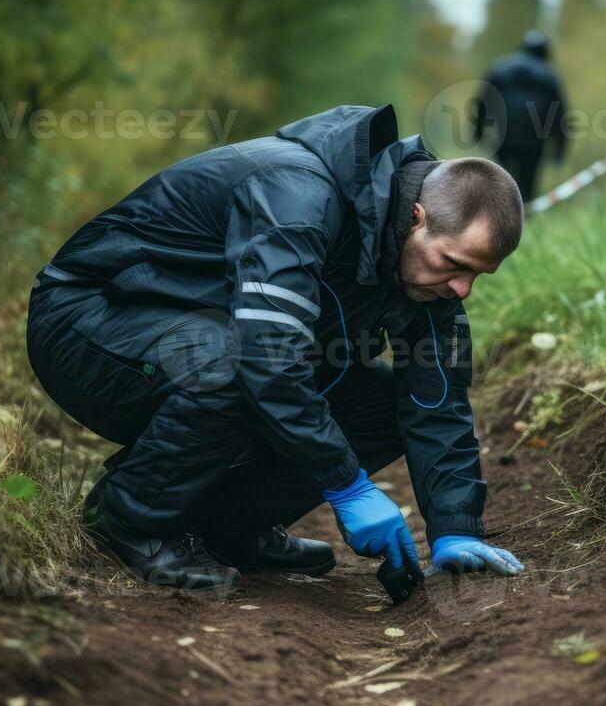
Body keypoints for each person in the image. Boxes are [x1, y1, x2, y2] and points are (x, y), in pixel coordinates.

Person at [26, 104, 526, 591]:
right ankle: (127, 518)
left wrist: (455, 526)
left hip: (206, 330)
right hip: (88, 319)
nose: (462, 290)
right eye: (455, 264)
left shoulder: (425, 271)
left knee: (379, 403)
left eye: (476, 276)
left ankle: (227, 529)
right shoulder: (297, 194)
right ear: (417, 217)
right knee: (237, 366)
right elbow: (267, 356)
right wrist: (347, 485)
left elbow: (436, 398)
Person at [472, 29, 567, 203]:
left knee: (502, 177)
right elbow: (561, 114)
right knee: (527, 181)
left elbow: (482, 101)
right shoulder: (549, 75)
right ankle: (524, 216)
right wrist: (560, 150)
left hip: (504, 136)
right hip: (535, 139)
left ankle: (501, 213)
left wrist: (478, 131)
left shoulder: (500, 68)